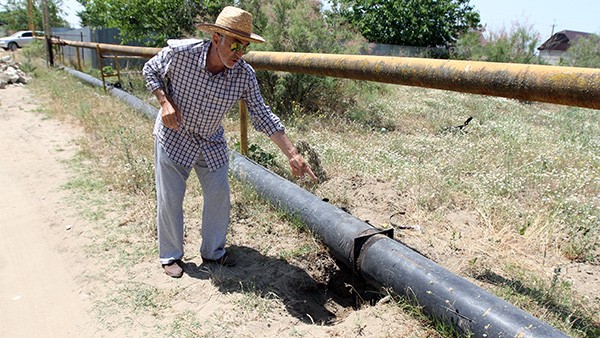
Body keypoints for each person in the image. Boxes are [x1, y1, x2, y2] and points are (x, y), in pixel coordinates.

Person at [143, 6, 317, 278]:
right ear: (216, 39)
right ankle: (171, 256)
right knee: (171, 198)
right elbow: (150, 70)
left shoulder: (244, 75)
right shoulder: (181, 54)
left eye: (244, 47)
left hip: (210, 140)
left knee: (219, 195)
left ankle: (213, 252)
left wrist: (292, 154)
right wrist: (164, 102)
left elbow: (262, 114)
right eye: (234, 44)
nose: (238, 53)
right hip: (174, 135)